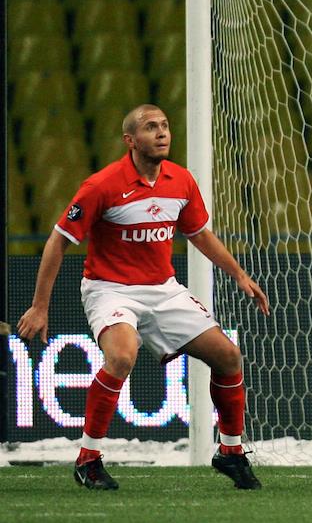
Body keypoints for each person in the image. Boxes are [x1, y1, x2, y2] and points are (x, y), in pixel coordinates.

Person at [17, 105, 270, 490]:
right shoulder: (102, 185)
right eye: (151, 127)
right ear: (130, 140)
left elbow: (199, 233)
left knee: (228, 356)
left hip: (163, 288)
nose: (162, 133)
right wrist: (40, 305)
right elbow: (58, 240)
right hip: (110, 288)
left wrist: (239, 274)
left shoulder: (180, 180)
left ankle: (230, 452)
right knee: (121, 357)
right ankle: (88, 460)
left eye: (164, 126)